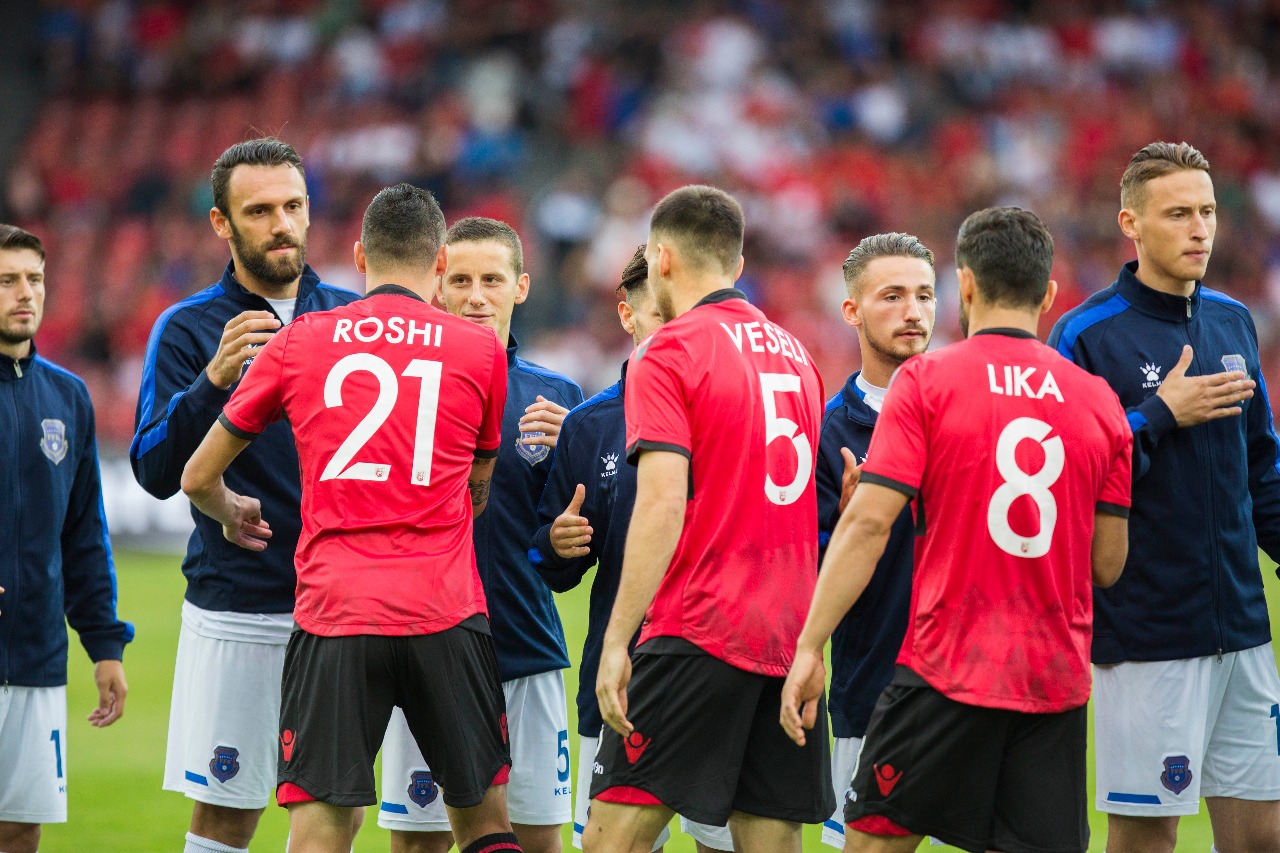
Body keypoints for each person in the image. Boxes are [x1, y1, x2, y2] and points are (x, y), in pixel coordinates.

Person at [180, 183, 520, 853]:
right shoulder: (480, 352)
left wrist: (229, 509)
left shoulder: (300, 340)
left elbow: (195, 474)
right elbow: (479, 482)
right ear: (442, 261)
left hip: (335, 612)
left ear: (361, 255)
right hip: (444, 610)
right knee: (483, 822)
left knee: (322, 827)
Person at [782, 206, 1133, 853]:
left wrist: (808, 648)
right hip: (1051, 683)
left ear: (964, 285)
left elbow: (865, 526)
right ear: (1049, 293)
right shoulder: (1101, 402)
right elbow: (1108, 563)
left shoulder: (928, 380)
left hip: (948, 668)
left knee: (873, 843)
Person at [584, 185, 832, 853]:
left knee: (610, 840)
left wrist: (616, 642)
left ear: (660, 259)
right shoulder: (797, 355)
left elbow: (663, 502)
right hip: (784, 636)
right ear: (738, 257)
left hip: (700, 626)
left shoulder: (670, 350)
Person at [1048, 141, 1280, 853]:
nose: (1199, 229)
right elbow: (1063, 469)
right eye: (1178, 213)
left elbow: (1262, 467)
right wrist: (1154, 415)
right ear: (1132, 223)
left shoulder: (1233, 320)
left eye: (1207, 212)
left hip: (1242, 625)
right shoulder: (1085, 336)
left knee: (1262, 835)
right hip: (1147, 635)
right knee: (1148, 836)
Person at [130, 137, 360, 853]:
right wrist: (211, 383)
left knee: (335, 808)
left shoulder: (352, 319)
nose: (282, 223)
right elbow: (152, 468)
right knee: (229, 811)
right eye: (258, 210)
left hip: (344, 607)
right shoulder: (190, 327)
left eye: (293, 205)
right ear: (220, 224)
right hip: (241, 603)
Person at [378, 217, 583, 853]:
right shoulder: (404, 389)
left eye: (491, 280)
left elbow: (569, 561)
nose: (475, 296)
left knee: (537, 842)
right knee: (419, 844)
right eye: (459, 279)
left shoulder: (557, 401)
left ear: (520, 287)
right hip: (422, 648)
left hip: (524, 654)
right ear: (436, 286)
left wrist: (563, 468)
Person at [529, 246, 732, 853]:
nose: (677, 334)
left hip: (716, 667)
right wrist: (558, 545)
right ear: (627, 316)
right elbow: (549, 562)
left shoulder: (730, 411)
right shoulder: (589, 426)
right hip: (618, 677)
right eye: (660, 316)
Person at [0, 224, 132, 853]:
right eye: (6, 281)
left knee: (22, 831)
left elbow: (84, 536)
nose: (24, 294)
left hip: (36, 657)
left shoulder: (68, 398)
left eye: (34, 279)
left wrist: (105, 644)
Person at [814, 233, 936, 851]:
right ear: (852, 311)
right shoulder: (827, 432)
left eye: (923, 295)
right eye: (892, 296)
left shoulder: (974, 411)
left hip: (982, 690)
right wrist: (845, 523)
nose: (913, 311)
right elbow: (802, 576)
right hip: (874, 694)